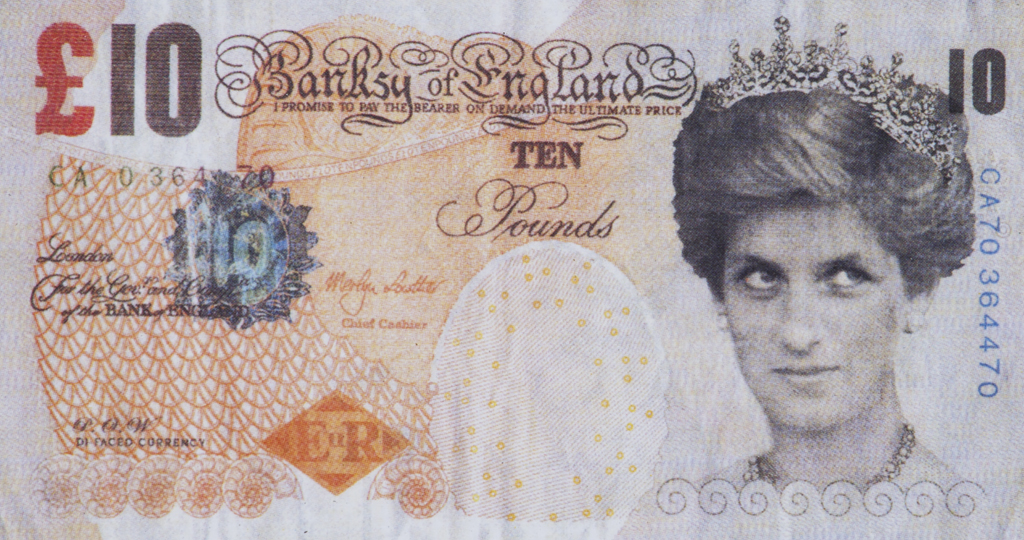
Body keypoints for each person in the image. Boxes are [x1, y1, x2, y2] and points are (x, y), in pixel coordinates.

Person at [619, 18, 984, 539]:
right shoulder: (671, 524)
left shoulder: (982, 521)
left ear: (918, 292)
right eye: (760, 278)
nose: (797, 332)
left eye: (845, 277)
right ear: (720, 297)